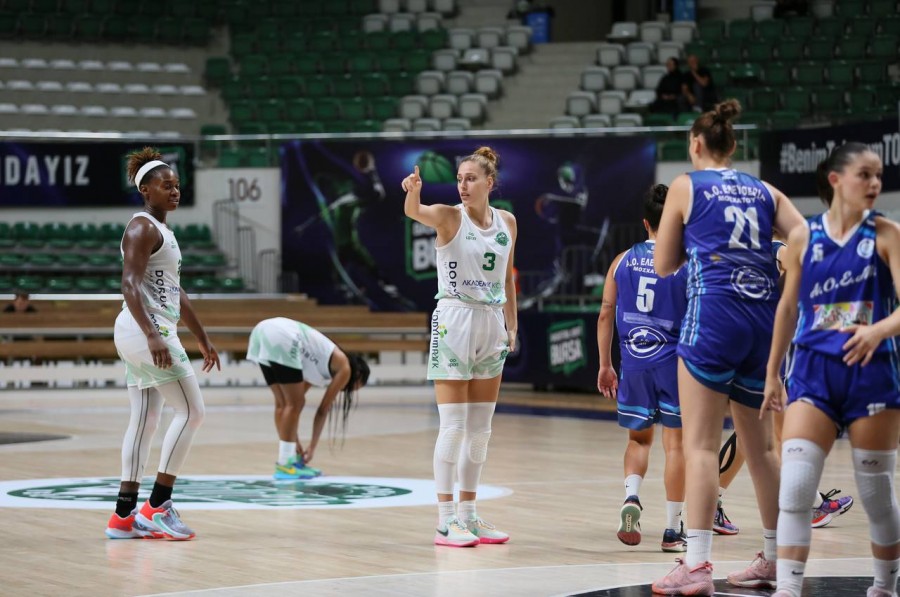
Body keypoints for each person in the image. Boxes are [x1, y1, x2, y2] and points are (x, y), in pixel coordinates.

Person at [649, 99, 805, 595]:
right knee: (763, 451)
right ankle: (776, 558)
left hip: (713, 318)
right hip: (762, 321)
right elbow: (804, 235)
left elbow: (664, 264)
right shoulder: (764, 190)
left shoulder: (686, 185)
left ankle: (696, 566)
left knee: (699, 445)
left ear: (695, 144)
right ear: (733, 145)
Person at [763, 143, 900, 597]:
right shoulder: (804, 237)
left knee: (876, 495)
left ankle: (884, 586)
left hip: (871, 372)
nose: (875, 183)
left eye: (879, 175)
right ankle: (787, 589)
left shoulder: (887, 234)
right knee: (796, 488)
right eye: (865, 174)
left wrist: (878, 330)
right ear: (837, 180)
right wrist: (772, 373)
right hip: (813, 371)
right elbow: (787, 309)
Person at [402, 146, 517, 548]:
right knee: (452, 428)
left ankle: (469, 515)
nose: (463, 185)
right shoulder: (450, 216)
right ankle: (445, 520)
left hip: (491, 321)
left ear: (489, 182)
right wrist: (413, 191)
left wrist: (512, 325)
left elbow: (508, 277)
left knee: (480, 432)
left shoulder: (507, 222)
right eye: (459, 179)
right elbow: (415, 212)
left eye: (470, 178)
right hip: (455, 319)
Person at [105, 147, 220, 541]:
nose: (175, 191)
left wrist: (201, 336)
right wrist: (154, 334)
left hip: (139, 330)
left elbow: (175, 292)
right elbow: (129, 284)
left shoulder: (161, 230)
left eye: (177, 185)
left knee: (145, 420)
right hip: (146, 330)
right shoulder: (142, 227)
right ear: (146, 190)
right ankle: (158, 506)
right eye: (166, 185)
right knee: (192, 412)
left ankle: (123, 516)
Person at [597, 183, 687, 553]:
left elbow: (605, 314)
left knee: (638, 440)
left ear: (645, 222)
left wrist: (605, 363)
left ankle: (631, 497)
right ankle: (672, 530)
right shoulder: (685, 262)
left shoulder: (621, 260)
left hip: (633, 361)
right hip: (673, 362)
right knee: (676, 445)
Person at [246, 317, 371, 480]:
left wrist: (293, 441)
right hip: (282, 335)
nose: (346, 390)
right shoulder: (344, 367)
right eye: (354, 387)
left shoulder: (321, 361)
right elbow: (322, 410)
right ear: (358, 375)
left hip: (261, 331)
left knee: (283, 404)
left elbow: (289, 406)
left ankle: (288, 459)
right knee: (294, 404)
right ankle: (286, 464)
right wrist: (312, 448)